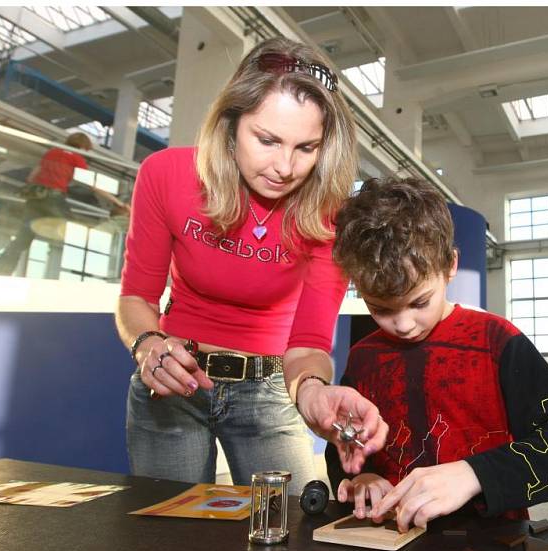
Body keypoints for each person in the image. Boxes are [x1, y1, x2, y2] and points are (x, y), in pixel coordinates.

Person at [114, 37, 387, 494]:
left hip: (270, 392)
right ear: (230, 122)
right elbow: (137, 298)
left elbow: (308, 342)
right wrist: (149, 346)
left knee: (294, 538)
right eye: (267, 140)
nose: (285, 166)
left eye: (306, 147)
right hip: (175, 382)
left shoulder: (332, 214)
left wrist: (314, 391)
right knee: (167, 549)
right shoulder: (165, 175)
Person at [324, 177, 548, 532]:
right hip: (389, 544)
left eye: (419, 302)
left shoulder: (497, 341)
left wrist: (475, 474)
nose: (403, 325)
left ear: (450, 265)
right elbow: (343, 443)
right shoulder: (363, 358)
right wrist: (363, 477)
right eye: (380, 309)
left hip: (492, 545)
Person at [0, 132, 127, 275]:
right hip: (54, 198)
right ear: (83, 146)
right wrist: (117, 201)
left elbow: (33, 175)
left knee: (22, 238)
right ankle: (60, 272)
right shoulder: (76, 157)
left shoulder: (52, 153)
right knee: (72, 231)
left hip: (35, 198)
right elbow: (93, 185)